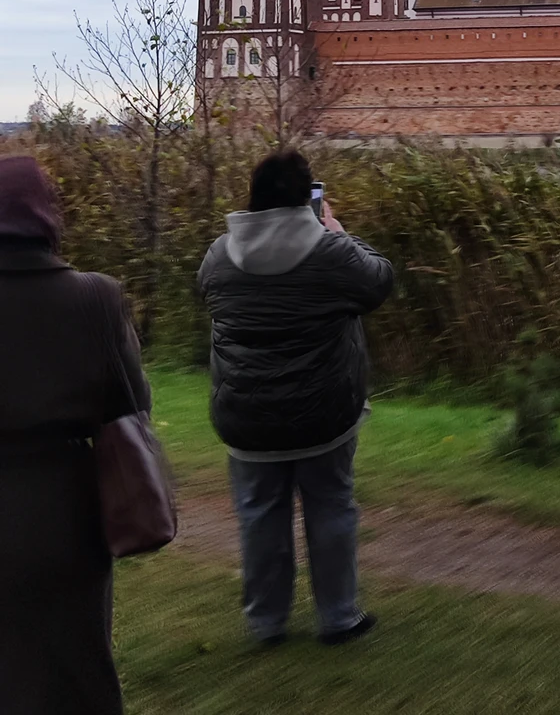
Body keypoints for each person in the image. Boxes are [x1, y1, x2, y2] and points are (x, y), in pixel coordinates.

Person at [198, 148, 394, 647]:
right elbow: (379, 281)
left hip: (246, 414)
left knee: (259, 515)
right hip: (323, 412)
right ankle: (338, 617)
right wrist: (340, 233)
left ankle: (266, 623)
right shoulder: (330, 252)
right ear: (309, 198)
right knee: (330, 508)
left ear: (254, 197)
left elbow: (209, 294)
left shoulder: (219, 254)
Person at [0, 155, 151, 715]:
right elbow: (132, 405)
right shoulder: (96, 297)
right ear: (47, 215)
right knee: (78, 665)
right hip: (65, 508)